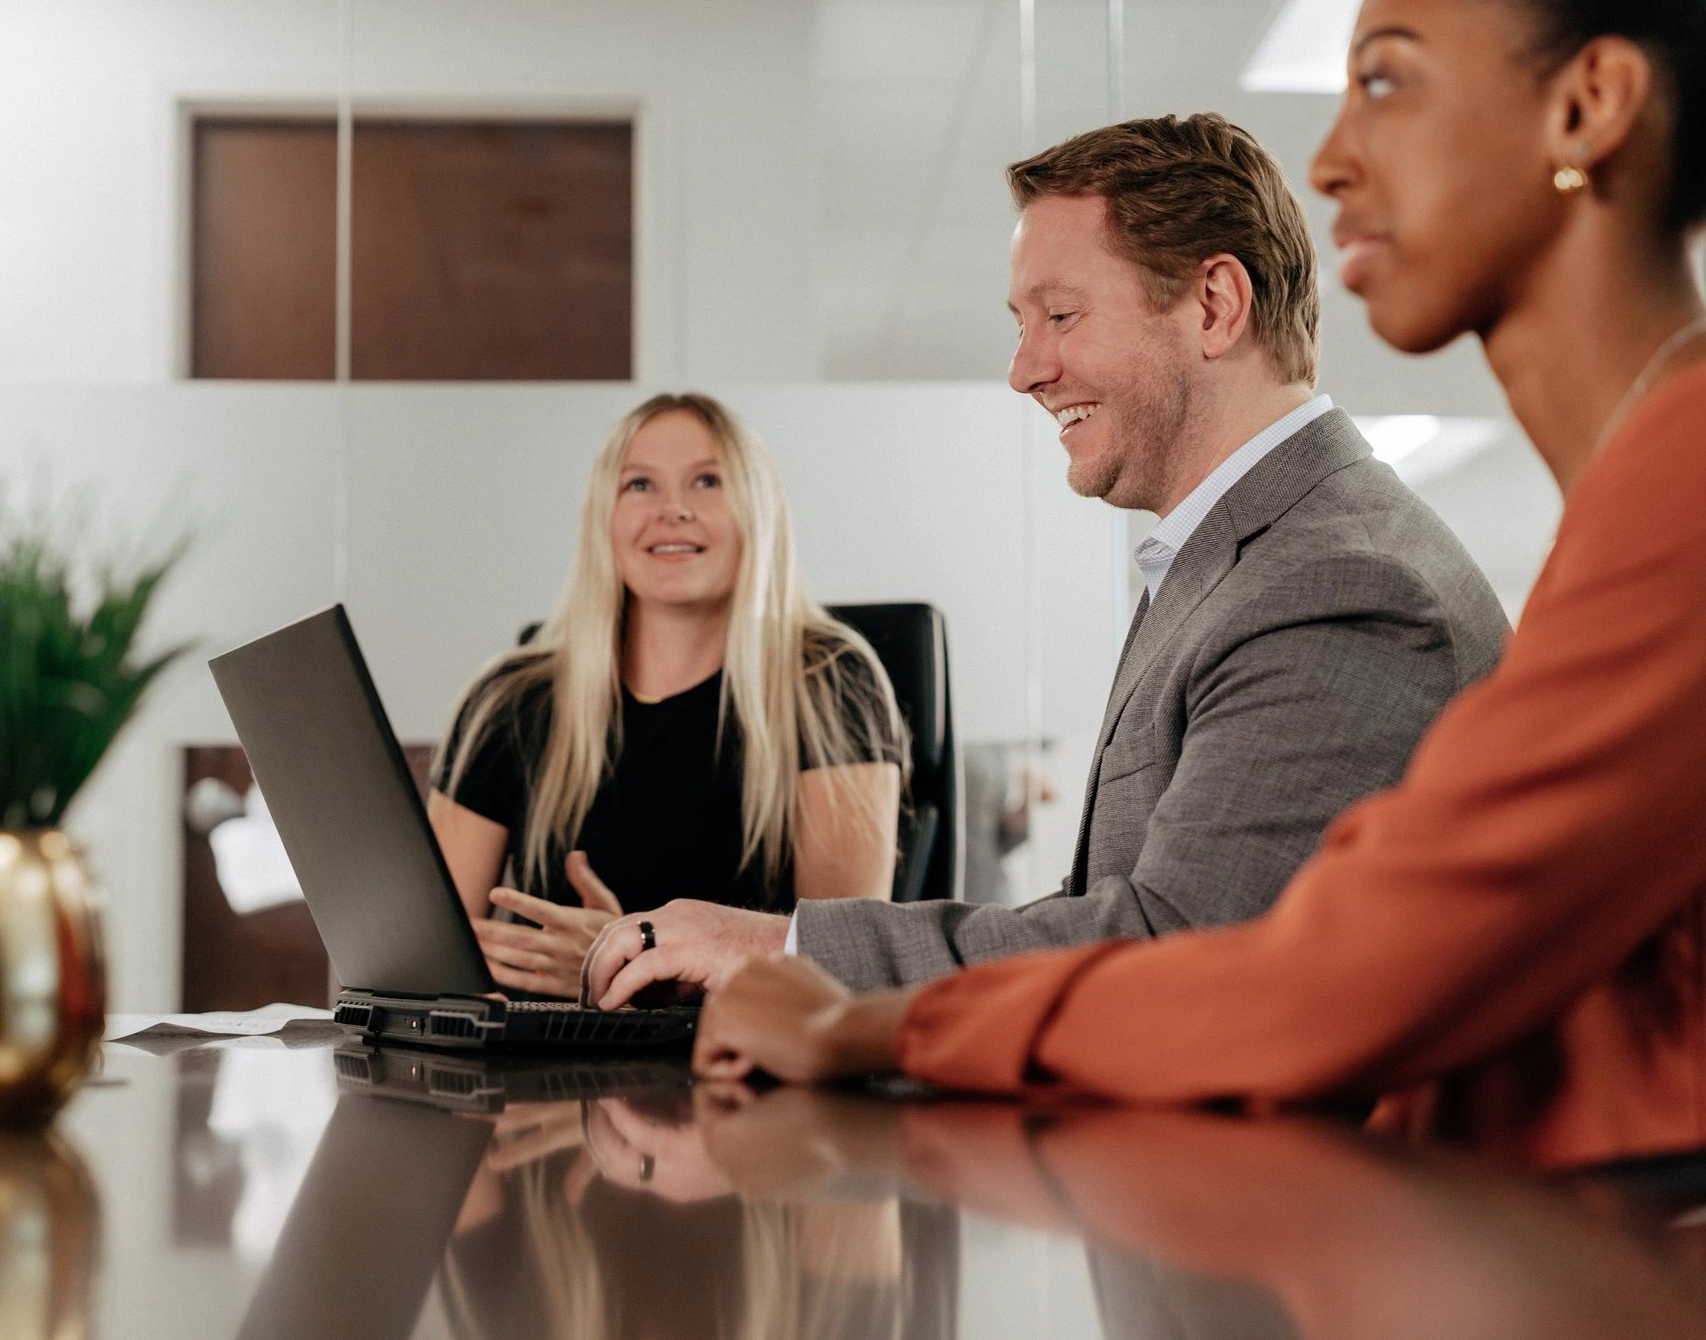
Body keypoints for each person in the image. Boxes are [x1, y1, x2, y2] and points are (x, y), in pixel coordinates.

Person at [687, 0, 1706, 1169]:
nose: (1326, 161)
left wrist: (869, 1023)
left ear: (1588, 106)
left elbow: (1316, 978)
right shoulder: (1668, 470)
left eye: (1383, 79)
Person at [582, 115, 1506, 1010]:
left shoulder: (1337, 583)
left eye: (1060, 314)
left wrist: (778, 949)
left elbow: (1174, 962)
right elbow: (1114, 920)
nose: (1024, 370)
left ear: (1215, 306)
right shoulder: (1241, 556)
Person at [427, 392, 907, 998]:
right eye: (639, 486)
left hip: (731, 1074)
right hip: (532, 1078)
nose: (673, 510)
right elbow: (425, 966)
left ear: (757, 512)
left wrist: (634, 965)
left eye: (708, 481)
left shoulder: (829, 684)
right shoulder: (511, 700)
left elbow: (841, 976)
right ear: (606, 517)